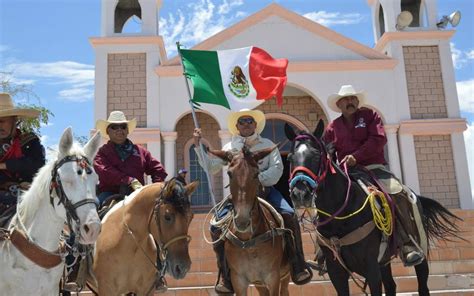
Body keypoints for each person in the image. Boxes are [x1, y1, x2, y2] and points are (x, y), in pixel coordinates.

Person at [193, 109, 312, 294]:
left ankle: (298, 264)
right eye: (242, 121)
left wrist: (254, 179)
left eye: (249, 121)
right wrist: (198, 145)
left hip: (266, 191)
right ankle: (225, 274)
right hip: (238, 195)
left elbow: (277, 170)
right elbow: (211, 167)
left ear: (255, 124)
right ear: (237, 126)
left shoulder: (267, 144)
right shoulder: (229, 147)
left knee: (289, 215)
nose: (246, 124)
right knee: (216, 226)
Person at [322, 85, 425, 266]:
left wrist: (357, 156)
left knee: (396, 193)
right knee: (324, 200)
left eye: (353, 98)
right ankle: (322, 253)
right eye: (346, 99)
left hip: (374, 167)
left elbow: (378, 140)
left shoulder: (370, 116)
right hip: (348, 174)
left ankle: (407, 244)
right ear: (339, 104)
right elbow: (328, 152)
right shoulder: (332, 127)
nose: (350, 102)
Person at [94, 111, 168, 205]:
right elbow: (104, 171)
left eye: (123, 127)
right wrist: (129, 180)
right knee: (95, 208)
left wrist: (156, 188)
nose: (119, 130)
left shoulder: (141, 151)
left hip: (137, 194)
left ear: (127, 130)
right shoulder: (102, 152)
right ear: (108, 131)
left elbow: (158, 169)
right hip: (109, 193)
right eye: (114, 127)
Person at [0, 93, 45, 222]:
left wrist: (4, 165)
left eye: (2, 121)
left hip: (29, 193)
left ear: (14, 120)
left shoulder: (30, 141)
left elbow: (37, 165)